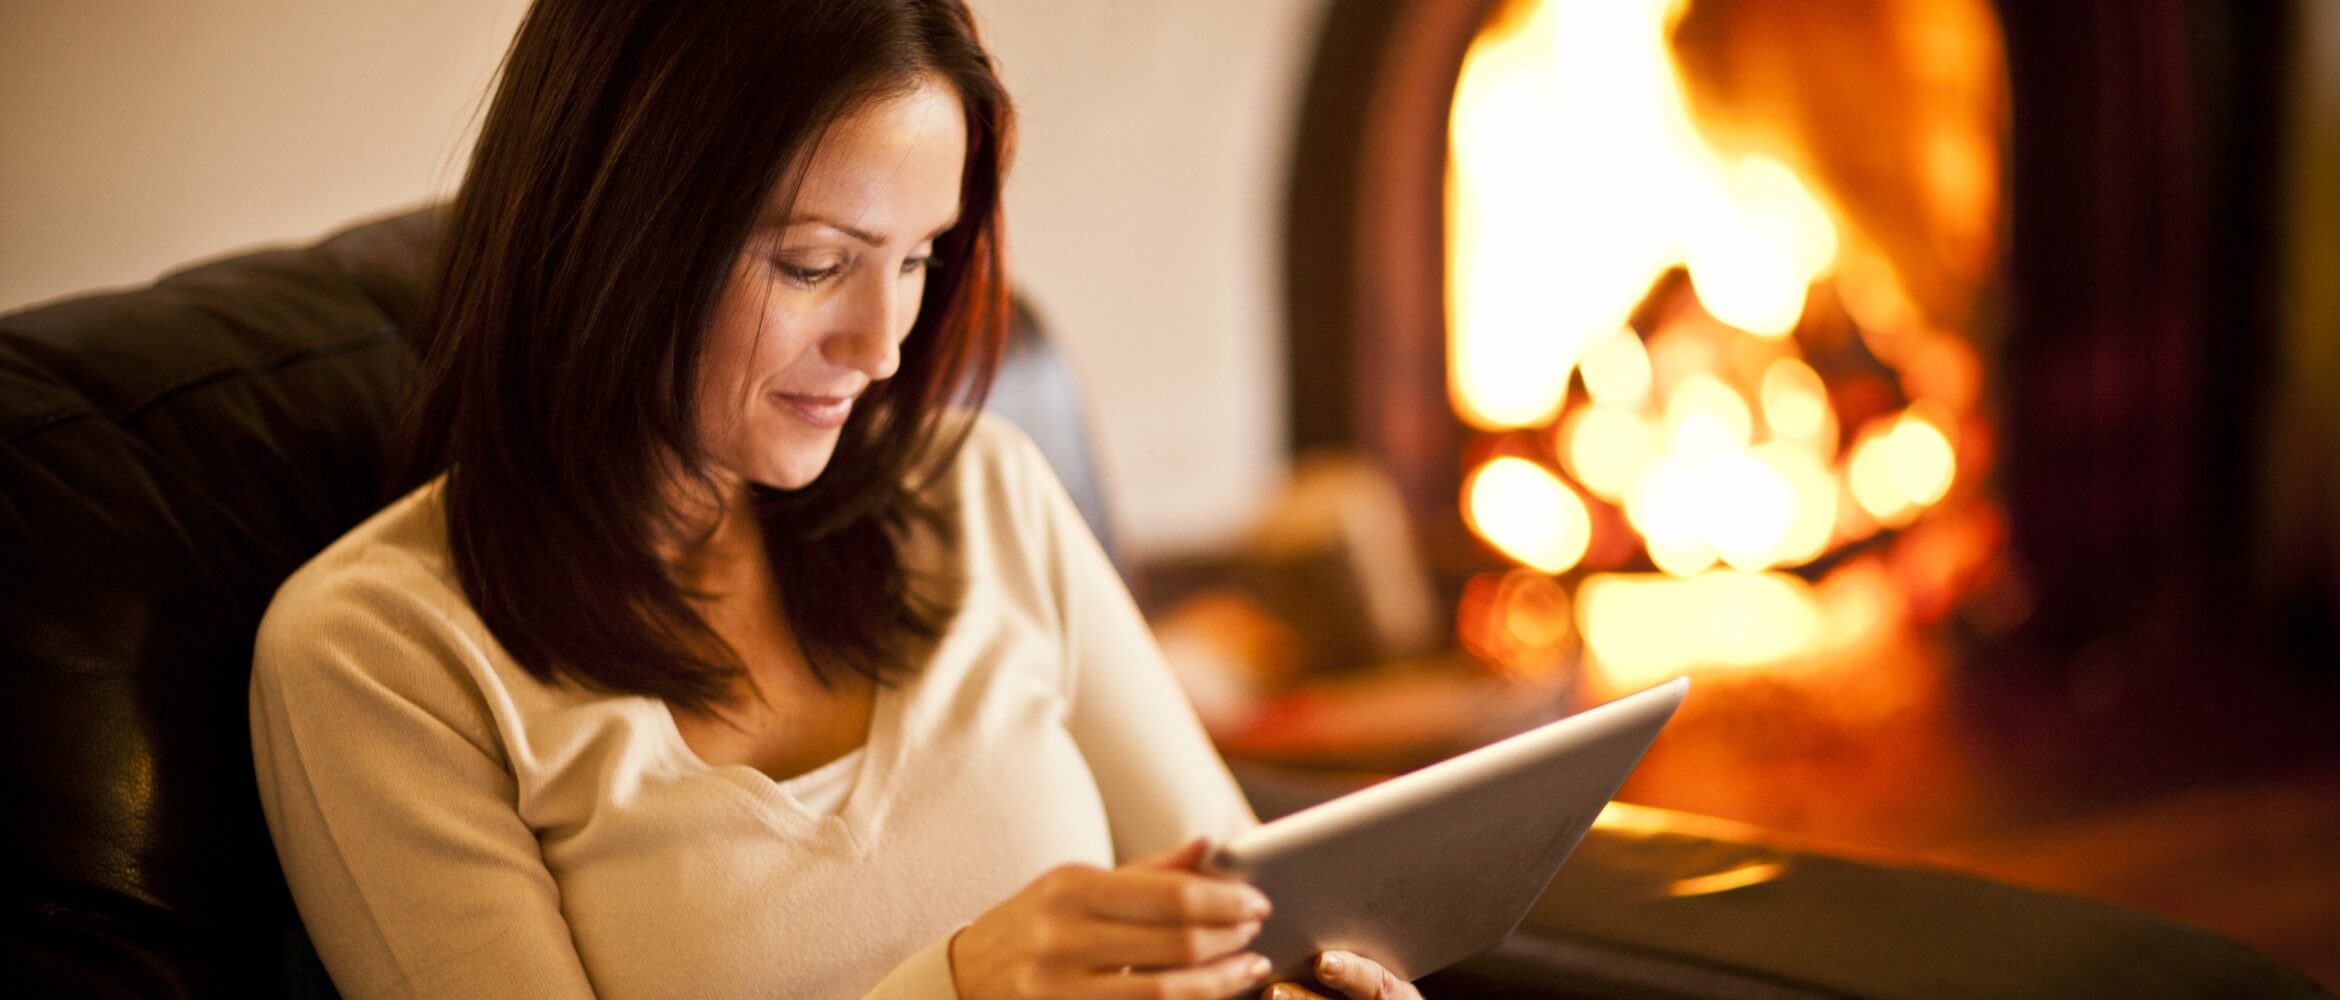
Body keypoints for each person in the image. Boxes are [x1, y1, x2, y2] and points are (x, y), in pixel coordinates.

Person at [247, 2, 1422, 998]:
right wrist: (959, 982)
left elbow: (1253, 914)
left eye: (917, 260)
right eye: (814, 264)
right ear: (624, 229)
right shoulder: (378, 654)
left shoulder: (980, 492)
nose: (882, 347)